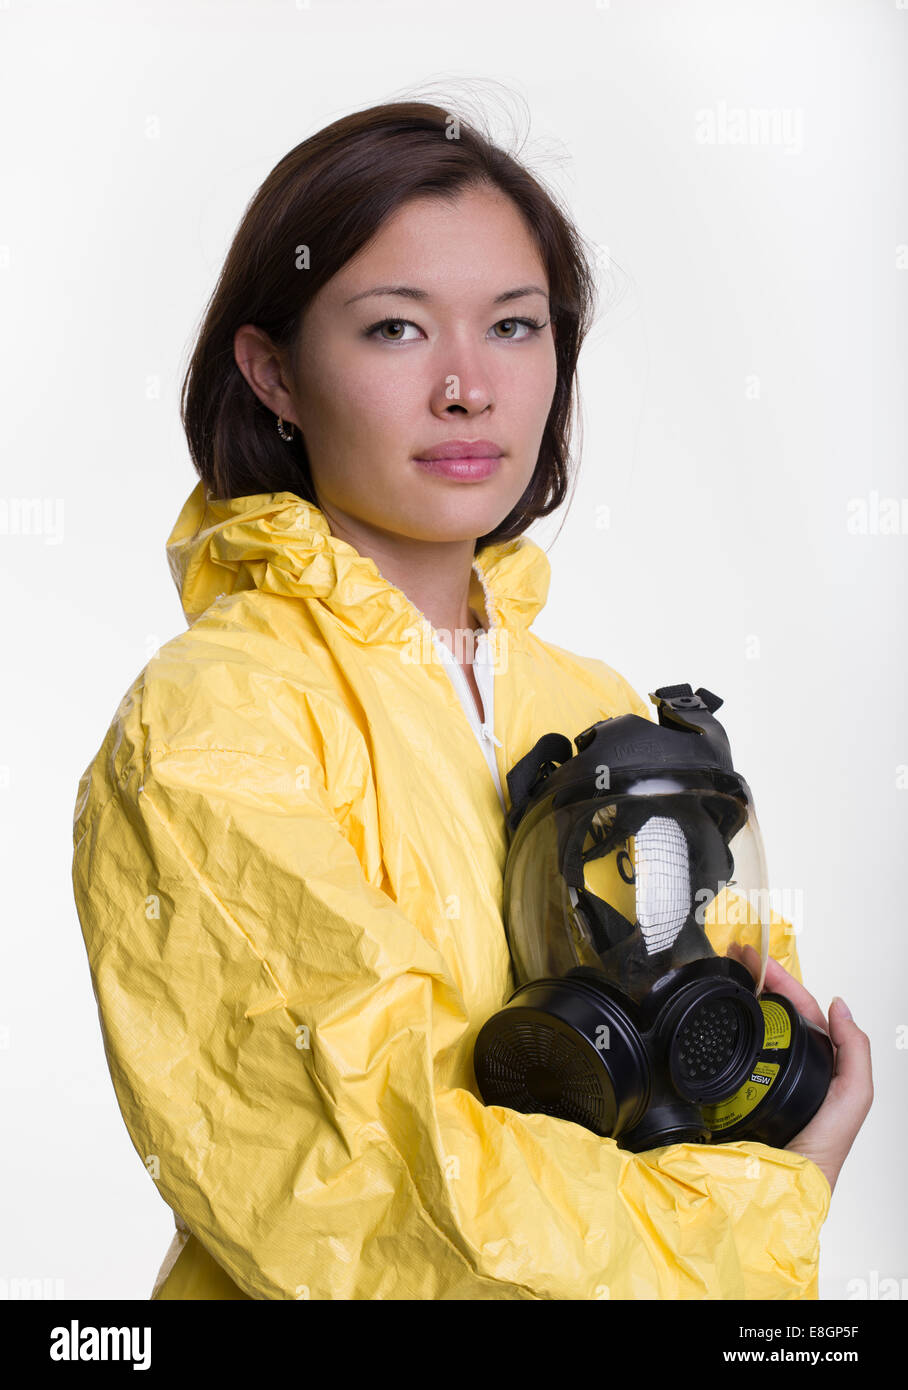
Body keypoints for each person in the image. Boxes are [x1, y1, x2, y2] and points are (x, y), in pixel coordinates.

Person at [70, 98, 872, 1301]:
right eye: (395, 329)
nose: (467, 388)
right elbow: (366, 1189)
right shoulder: (212, 723)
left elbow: (717, 1080)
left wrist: (772, 1143)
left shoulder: (599, 708)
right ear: (272, 371)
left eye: (513, 325)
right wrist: (759, 1219)